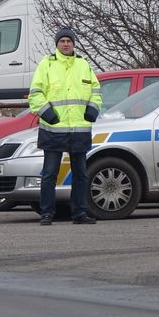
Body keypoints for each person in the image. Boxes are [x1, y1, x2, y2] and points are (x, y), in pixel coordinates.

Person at [28, 27, 102, 226]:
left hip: (79, 130)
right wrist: (47, 113)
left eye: (69, 41)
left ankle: (79, 213)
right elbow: (35, 93)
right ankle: (47, 213)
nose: (66, 44)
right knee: (50, 173)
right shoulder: (46, 65)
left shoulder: (83, 65)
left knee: (81, 175)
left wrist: (92, 109)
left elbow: (96, 91)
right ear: (57, 44)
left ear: (74, 43)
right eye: (62, 41)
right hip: (53, 130)